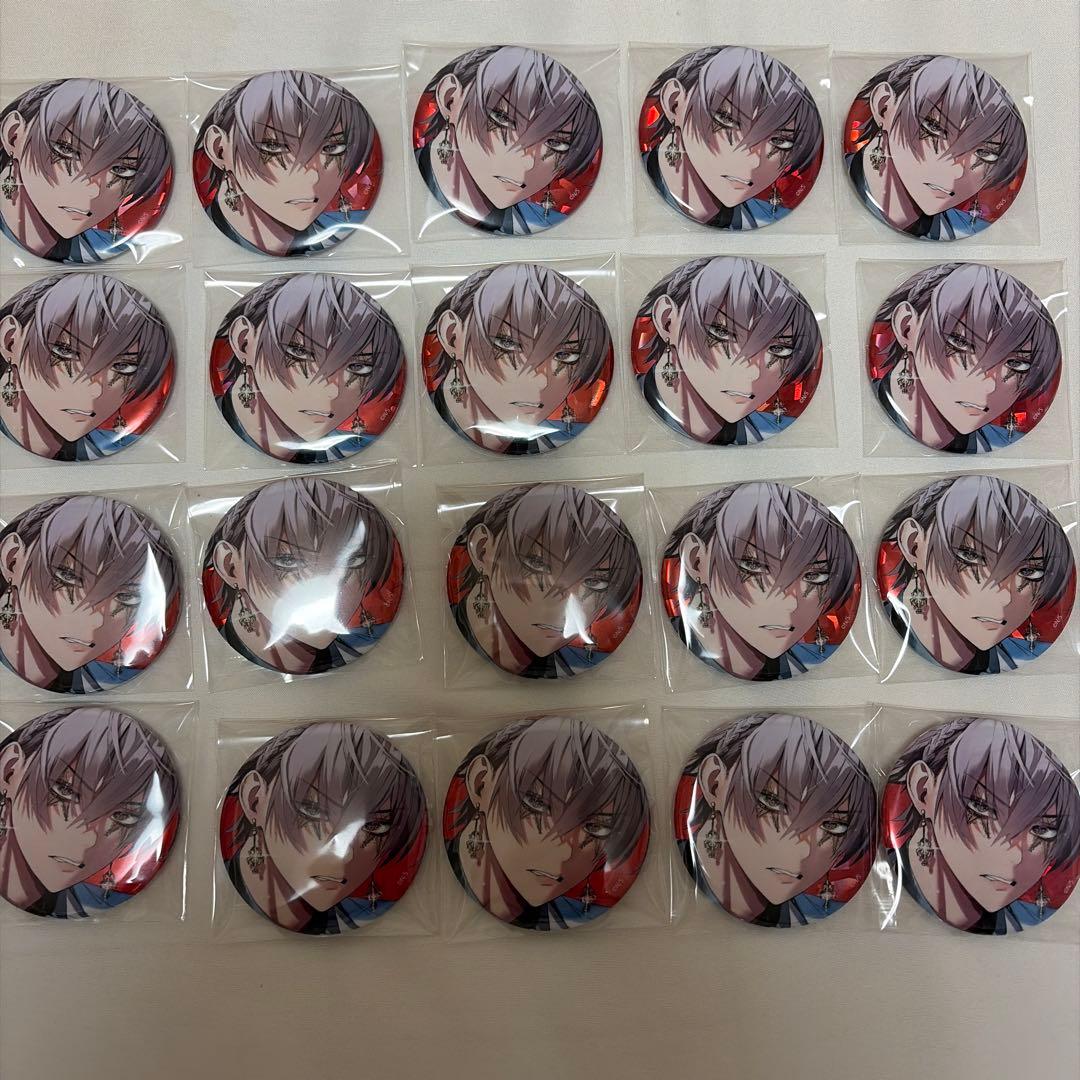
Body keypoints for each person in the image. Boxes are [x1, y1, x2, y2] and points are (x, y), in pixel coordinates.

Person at [445, 715, 649, 930]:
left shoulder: (567, 914)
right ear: (481, 783)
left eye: (596, 827)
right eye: (536, 802)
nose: (564, 854)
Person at [222, 722, 426, 935]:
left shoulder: (358, 916)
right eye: (312, 810)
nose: (345, 854)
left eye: (374, 825)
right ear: (255, 799)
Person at [677, 713, 875, 927]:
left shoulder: (808, 911)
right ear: (715, 783)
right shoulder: (679, 887)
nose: (803, 851)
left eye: (833, 826)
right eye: (772, 802)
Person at [886, 716, 1080, 934]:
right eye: (981, 808)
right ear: (924, 790)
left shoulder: (1022, 918)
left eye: (1042, 830)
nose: (1015, 856)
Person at [204, 477, 401, 675]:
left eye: (353, 559)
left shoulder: (355, 648)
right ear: (230, 565)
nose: (331, 586)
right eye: (288, 561)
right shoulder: (216, 663)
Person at [879, 474, 1075, 673]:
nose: (1004, 597)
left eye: (1029, 571)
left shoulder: (1023, 657)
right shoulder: (883, 637)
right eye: (970, 556)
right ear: (914, 544)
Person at [663, 482, 859, 680]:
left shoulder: (798, 663)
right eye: (753, 565)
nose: (791, 603)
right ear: (696, 560)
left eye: (814, 576)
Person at [0, 706, 180, 918]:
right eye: (65, 791)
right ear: (10, 770)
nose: (89, 839)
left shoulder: (92, 901)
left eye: (122, 816)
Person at [447, 483, 642, 679]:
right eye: (537, 564)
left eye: (594, 582)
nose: (562, 605)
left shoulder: (573, 660)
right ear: (482, 549)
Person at [212, 273, 404, 463]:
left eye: (358, 367)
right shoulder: (217, 442)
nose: (332, 391)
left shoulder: (344, 448)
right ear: (244, 341)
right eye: (299, 352)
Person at [869, 262, 1060, 453]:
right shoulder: (863, 417)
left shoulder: (1005, 443)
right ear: (907, 327)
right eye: (960, 343)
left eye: (1016, 363)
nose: (989, 386)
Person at [424, 262, 611, 455]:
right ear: (453, 336)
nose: (541, 381)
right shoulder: (425, 432)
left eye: (564, 355)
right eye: (507, 343)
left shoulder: (544, 443)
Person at [0, 495, 179, 693]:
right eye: (68, 577)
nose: (97, 621)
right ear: (12, 560)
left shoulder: (107, 677)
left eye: (126, 597)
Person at [415, 46, 601, 235]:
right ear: (451, 99)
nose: (528, 163)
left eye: (555, 143)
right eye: (502, 118)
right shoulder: (408, 191)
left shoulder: (536, 221)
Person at [635, 256, 821, 445]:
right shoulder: (631, 412)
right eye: (721, 332)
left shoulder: (770, 429)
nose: (753, 372)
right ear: (668, 320)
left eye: (778, 349)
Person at [193, 70, 379, 256]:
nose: (313, 176)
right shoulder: (203, 244)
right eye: (273, 146)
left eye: (331, 148)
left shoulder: (337, 234)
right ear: (219, 149)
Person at [845, 55, 1027, 240]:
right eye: (934, 128)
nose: (957, 171)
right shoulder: (839, 196)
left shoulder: (963, 227)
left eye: (985, 153)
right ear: (884, 106)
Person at [640, 46, 823, 229]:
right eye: (726, 119)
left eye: (780, 141)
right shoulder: (638, 196)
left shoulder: (763, 215)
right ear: (675, 103)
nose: (754, 162)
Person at [0, 273, 172, 460]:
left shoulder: (111, 446)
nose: (95, 391)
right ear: (11, 340)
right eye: (65, 351)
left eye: (123, 366)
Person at [0, 78, 171, 262]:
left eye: (121, 169)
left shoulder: (107, 246)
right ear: (14, 135)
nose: (93, 191)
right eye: (66, 150)